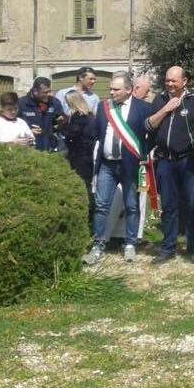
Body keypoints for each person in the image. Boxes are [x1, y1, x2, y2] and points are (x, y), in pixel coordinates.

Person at [83, 73, 153, 265]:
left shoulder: (143, 108)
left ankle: (130, 243)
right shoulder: (103, 106)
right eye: (111, 89)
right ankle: (98, 245)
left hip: (130, 166)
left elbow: (152, 135)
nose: (111, 92)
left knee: (132, 205)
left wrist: (143, 154)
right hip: (107, 164)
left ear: (129, 90)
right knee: (101, 206)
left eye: (116, 89)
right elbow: (96, 132)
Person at [145, 66, 194, 265]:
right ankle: (168, 248)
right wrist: (166, 109)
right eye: (167, 80)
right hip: (165, 161)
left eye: (173, 81)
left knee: (192, 204)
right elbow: (148, 125)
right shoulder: (160, 100)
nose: (169, 84)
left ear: (184, 81)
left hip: (188, 160)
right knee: (168, 205)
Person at [59, 91, 98, 228]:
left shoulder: (78, 117)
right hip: (89, 155)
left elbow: (72, 134)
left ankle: (86, 215)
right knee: (89, 184)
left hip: (79, 156)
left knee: (82, 185)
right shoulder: (91, 115)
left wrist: (62, 126)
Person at [18, 77, 65, 152]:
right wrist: (28, 131)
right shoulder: (21, 103)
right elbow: (11, 125)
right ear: (35, 91)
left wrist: (62, 120)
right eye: (45, 92)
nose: (49, 94)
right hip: (29, 150)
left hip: (49, 148)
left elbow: (59, 120)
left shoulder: (54, 102)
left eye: (49, 91)